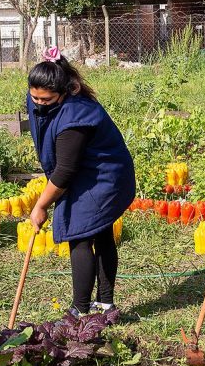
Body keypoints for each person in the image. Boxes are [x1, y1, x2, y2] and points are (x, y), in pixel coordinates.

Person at [27, 47, 135, 318]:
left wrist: (41, 205)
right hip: (89, 170)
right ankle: (102, 306)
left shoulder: (76, 117)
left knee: (81, 235)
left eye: (46, 99)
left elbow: (64, 172)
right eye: (34, 97)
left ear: (64, 93)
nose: (39, 103)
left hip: (104, 176)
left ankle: (82, 310)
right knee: (94, 233)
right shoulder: (48, 97)